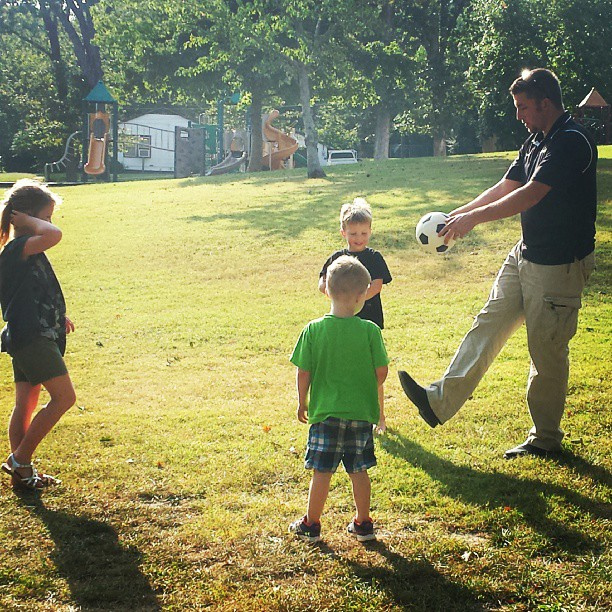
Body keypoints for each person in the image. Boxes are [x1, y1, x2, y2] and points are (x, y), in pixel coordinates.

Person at [398, 68, 597, 459]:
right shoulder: (536, 139)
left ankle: (545, 439)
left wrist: (474, 220)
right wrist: (458, 215)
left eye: (523, 107)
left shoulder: (571, 141)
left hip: (559, 265)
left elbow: (530, 194)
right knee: (488, 322)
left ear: (545, 103)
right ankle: (437, 402)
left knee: (546, 352)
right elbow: (506, 185)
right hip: (526, 252)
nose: (518, 115)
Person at [289, 255, 389, 542]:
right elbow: (381, 372)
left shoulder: (313, 330)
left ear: (327, 291)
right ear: (361, 297)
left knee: (322, 471)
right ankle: (363, 523)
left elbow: (303, 372)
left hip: (325, 414)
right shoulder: (370, 331)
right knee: (359, 471)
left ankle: (311, 524)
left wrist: (302, 401)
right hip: (360, 413)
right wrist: (365, 387)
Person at [0, 179, 76, 490]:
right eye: (45, 217)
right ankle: (19, 460)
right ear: (26, 217)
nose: (49, 224)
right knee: (64, 398)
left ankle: (22, 472)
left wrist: (58, 316)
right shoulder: (19, 247)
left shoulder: (23, 250)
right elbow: (55, 235)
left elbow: (30, 290)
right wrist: (28, 221)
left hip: (26, 332)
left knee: (26, 402)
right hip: (31, 337)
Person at [319, 198, 392, 432]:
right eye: (353, 233)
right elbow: (323, 284)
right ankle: (346, 413)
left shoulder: (375, 258)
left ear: (370, 231)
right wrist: (340, 302)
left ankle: (379, 417)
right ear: (343, 232)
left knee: (372, 369)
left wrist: (355, 302)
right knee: (345, 367)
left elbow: (377, 286)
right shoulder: (337, 259)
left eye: (363, 233)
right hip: (341, 322)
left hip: (369, 321)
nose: (358, 238)